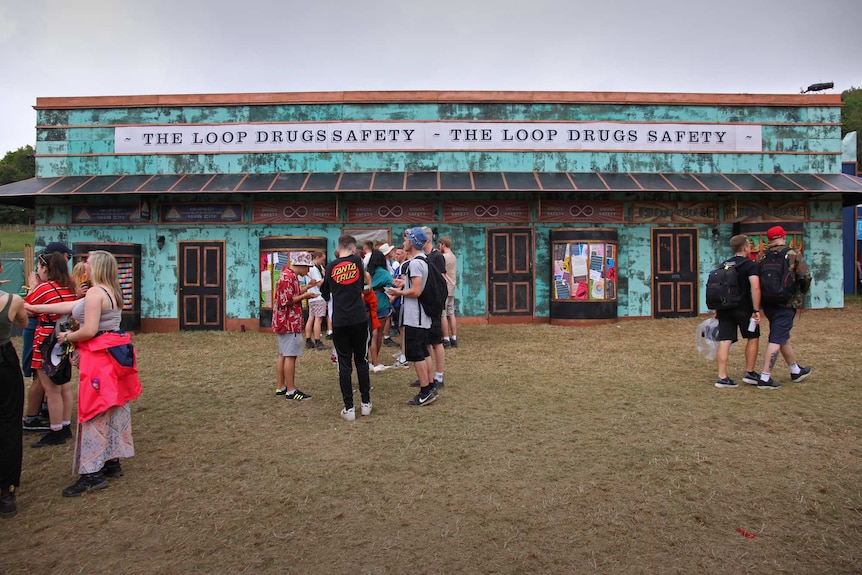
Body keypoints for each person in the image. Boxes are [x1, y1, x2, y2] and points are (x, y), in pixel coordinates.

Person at [28, 250, 142, 497]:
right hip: (112, 358)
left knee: (93, 411)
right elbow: (71, 305)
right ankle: (112, 461)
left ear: (97, 266)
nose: (83, 266)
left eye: (87, 263)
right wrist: (35, 307)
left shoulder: (94, 293)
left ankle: (91, 473)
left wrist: (67, 336)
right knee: (112, 407)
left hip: (98, 361)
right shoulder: (109, 291)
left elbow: (88, 330)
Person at [23, 252, 77, 448]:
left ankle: (55, 430)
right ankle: (65, 425)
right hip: (63, 337)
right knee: (63, 385)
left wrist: (33, 285)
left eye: (39, 267)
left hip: (45, 337)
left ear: (46, 268)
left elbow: (27, 305)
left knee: (50, 388)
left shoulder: (45, 288)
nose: (38, 270)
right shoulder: (69, 287)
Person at [320, 235, 373, 420]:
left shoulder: (330, 266)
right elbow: (360, 286)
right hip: (358, 317)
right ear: (352, 248)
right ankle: (366, 403)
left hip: (340, 320)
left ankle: (348, 408)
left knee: (344, 363)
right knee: (361, 361)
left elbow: (325, 293)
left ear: (338, 247)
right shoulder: (357, 261)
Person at [756, 226, 813, 389]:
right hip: (787, 302)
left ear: (769, 239)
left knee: (781, 334)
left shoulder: (762, 256)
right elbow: (805, 276)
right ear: (783, 236)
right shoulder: (793, 254)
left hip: (768, 302)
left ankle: (795, 370)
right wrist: (801, 293)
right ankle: (765, 377)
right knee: (776, 338)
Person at [388, 227, 438, 406]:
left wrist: (398, 292)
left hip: (415, 316)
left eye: (407, 239)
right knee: (423, 352)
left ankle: (425, 391)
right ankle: (430, 385)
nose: (404, 242)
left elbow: (417, 291)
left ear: (414, 242)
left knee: (416, 354)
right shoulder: (421, 261)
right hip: (420, 316)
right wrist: (404, 283)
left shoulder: (415, 263)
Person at [713, 235, 762, 388]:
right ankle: (750, 372)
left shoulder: (723, 264)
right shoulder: (750, 265)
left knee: (725, 340)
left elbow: (718, 289)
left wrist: (717, 308)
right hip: (744, 308)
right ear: (745, 247)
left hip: (724, 308)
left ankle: (722, 376)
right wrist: (756, 309)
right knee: (753, 337)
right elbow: (755, 287)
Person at [0, 262, 28, 517]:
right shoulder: (12, 300)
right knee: (9, 423)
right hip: (4, 361)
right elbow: (23, 321)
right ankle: (6, 492)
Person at [273, 252, 317, 400]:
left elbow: (293, 293)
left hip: (284, 321)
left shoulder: (289, 276)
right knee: (290, 355)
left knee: (283, 354)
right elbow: (287, 301)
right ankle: (291, 391)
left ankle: (281, 387)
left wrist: (306, 288)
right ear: (301, 265)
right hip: (289, 322)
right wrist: (305, 296)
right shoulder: (288, 277)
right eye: (307, 267)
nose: (308, 271)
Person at [368, 249, 393, 371]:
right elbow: (391, 285)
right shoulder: (384, 273)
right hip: (382, 303)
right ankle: (375, 360)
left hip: (368, 303)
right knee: (378, 334)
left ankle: (370, 360)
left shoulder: (368, 272)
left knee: (371, 334)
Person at [304, 251, 329, 351]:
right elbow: (319, 284)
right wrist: (326, 276)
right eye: (322, 260)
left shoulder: (309, 268)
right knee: (318, 320)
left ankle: (308, 340)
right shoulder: (314, 269)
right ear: (317, 257)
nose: (322, 262)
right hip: (318, 296)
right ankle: (318, 341)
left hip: (311, 297)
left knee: (311, 318)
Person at [439, 236, 458, 348]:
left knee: (443, 314)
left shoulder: (443, 257)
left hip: (445, 287)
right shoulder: (453, 256)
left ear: (443, 244)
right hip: (452, 286)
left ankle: (445, 338)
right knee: (451, 313)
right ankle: (454, 337)